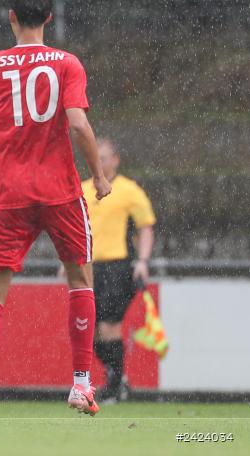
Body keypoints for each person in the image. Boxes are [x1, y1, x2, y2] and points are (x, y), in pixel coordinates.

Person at [0, 0, 112, 424]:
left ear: (10, 16)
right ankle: (81, 384)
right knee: (80, 281)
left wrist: (0, 123)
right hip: (60, 191)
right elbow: (77, 123)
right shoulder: (66, 64)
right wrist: (98, 174)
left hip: (11, 195)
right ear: (49, 17)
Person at [83, 137, 156, 403]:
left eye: (104, 157)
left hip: (119, 266)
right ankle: (119, 379)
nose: (100, 162)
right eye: (96, 157)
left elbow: (146, 227)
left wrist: (143, 262)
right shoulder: (83, 189)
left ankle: (114, 386)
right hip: (90, 268)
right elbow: (75, 231)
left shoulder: (128, 190)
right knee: (90, 331)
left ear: (115, 160)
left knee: (110, 326)